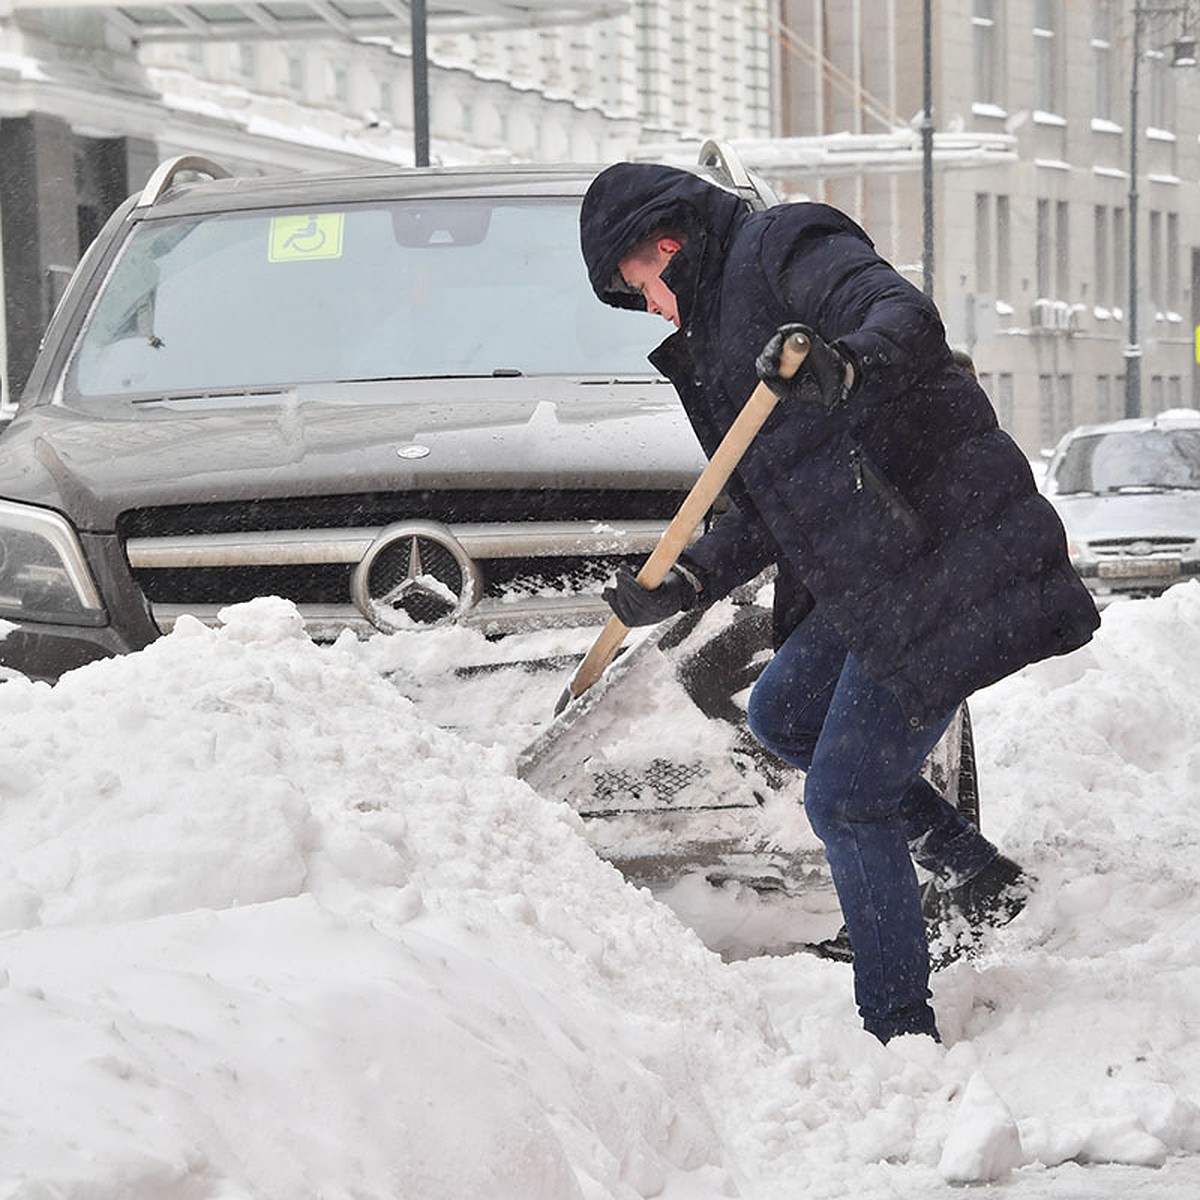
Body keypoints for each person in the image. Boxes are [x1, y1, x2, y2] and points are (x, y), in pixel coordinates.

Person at [579, 163, 1100, 1045]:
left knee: (847, 798)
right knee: (785, 711)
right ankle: (976, 878)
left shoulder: (785, 245)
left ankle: (896, 1029)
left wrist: (846, 366)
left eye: (642, 290)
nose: (653, 310)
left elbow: (902, 315)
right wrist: (690, 578)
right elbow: (764, 503)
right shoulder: (714, 345)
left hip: (946, 546)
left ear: (664, 245)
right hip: (878, 571)